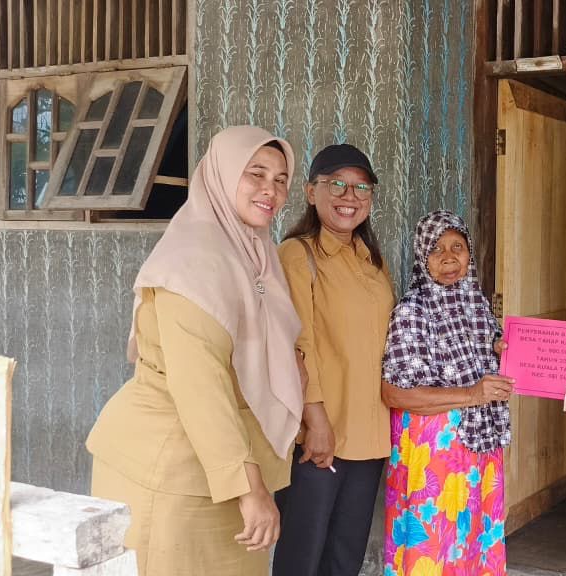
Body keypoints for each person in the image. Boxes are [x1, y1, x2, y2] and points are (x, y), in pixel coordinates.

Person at [86, 125, 303, 576]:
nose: (271, 189)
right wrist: (249, 489)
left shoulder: (254, 253)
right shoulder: (193, 259)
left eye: (281, 179)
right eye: (256, 174)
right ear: (221, 175)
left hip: (227, 466)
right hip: (171, 470)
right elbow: (200, 388)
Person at [272, 144, 394, 576]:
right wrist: (317, 421)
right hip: (319, 436)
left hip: (370, 435)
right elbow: (297, 342)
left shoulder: (373, 261)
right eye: (337, 184)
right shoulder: (297, 254)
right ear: (311, 192)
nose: (349, 196)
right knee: (302, 558)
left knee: (345, 557)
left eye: (362, 187)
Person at [379, 210, 514, 576]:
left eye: (458, 247)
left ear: (470, 253)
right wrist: (473, 393)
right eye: (436, 249)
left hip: (480, 447)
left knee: (473, 541)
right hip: (435, 452)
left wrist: (503, 351)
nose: (449, 257)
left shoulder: (478, 307)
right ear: (422, 257)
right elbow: (397, 395)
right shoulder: (412, 311)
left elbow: (491, 371)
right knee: (435, 545)